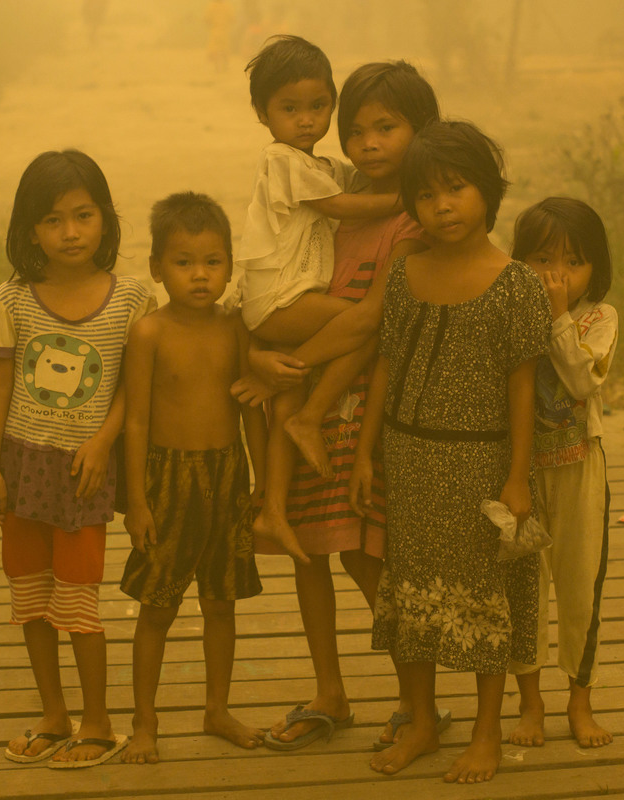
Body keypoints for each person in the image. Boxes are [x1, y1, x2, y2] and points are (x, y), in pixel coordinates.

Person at [240, 61, 450, 752]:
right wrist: (261, 360)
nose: (368, 144)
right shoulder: (333, 193)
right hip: (309, 394)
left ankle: (416, 701)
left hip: (370, 411)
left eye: (386, 128)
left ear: (423, 130)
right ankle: (330, 688)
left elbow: (369, 323)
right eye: (356, 130)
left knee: (368, 557)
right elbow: (279, 287)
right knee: (307, 553)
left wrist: (282, 374)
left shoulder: (415, 222)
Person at [350, 120, 551, 781]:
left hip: (482, 466)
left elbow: (523, 384)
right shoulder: (406, 273)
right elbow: (386, 363)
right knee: (407, 597)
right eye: (428, 194)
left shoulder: (515, 282)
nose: (443, 206)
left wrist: (518, 477)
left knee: (484, 598)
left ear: (487, 191)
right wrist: (364, 452)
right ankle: (423, 720)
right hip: (410, 460)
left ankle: (488, 732)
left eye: (457, 188)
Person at [0, 150, 155, 768]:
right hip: (23, 467)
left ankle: (99, 722)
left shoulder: (131, 299)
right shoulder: (14, 300)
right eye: (53, 220)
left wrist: (103, 440)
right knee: (30, 597)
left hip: (83, 473)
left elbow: (137, 384)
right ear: (30, 230)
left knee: (78, 601)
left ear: (105, 218)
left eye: (83, 215)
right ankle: (54, 714)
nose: (71, 233)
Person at [234, 35, 402, 565]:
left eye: (317, 106)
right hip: (281, 299)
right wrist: (411, 194)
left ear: (330, 102)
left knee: (287, 386)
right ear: (263, 114)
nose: (306, 120)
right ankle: (311, 418)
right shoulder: (282, 159)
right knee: (363, 324)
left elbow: (342, 184)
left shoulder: (316, 163)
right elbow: (344, 205)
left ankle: (274, 507)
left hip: (287, 299)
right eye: (289, 109)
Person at [118, 192, 269, 764]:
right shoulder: (150, 333)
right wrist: (137, 501)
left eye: (214, 262)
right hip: (168, 478)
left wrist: (259, 481)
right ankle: (145, 721)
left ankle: (216, 709)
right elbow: (135, 420)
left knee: (221, 602)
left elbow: (249, 405)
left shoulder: (234, 327)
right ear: (157, 268)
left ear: (230, 265)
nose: (200, 275)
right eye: (184, 263)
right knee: (157, 608)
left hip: (227, 472)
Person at [507, 197, 618, 750]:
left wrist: (556, 317)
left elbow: (580, 382)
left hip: (579, 468)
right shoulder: (509, 308)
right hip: (521, 470)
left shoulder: (600, 319)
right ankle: (530, 703)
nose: (557, 275)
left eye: (573, 261)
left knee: (580, 588)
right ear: (518, 261)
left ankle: (580, 698)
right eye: (543, 259)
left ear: (595, 267)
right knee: (523, 588)